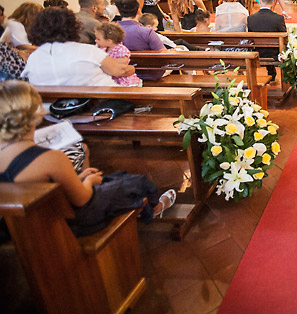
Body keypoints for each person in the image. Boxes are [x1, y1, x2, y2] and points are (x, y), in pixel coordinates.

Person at [0, 81, 176, 236]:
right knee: (137, 183)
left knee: (114, 181)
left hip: (21, 226)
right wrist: (88, 180)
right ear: (35, 115)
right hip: (68, 222)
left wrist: (77, 178)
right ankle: (154, 209)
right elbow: (82, 199)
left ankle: (140, 207)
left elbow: (43, 189)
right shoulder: (51, 159)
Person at [22, 7, 134, 86]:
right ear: (73, 27)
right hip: (97, 109)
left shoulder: (34, 57)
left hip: (50, 111)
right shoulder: (89, 51)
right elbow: (120, 71)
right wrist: (132, 68)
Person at [115, 0, 167, 81]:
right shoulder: (146, 31)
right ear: (139, 11)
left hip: (119, 75)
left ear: (118, 11)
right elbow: (164, 54)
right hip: (148, 75)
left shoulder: (110, 31)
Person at [247, 0, 286, 82]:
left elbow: (250, 37)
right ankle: (274, 74)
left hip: (257, 52)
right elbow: (284, 36)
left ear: (259, 1)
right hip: (275, 53)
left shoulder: (251, 18)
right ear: (272, 3)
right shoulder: (278, 18)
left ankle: (269, 73)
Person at [94, 22, 142, 87]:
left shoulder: (120, 49)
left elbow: (124, 61)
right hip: (107, 76)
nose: (95, 41)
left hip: (120, 77)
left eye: (98, 39)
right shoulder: (101, 48)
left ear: (109, 41)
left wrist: (106, 62)